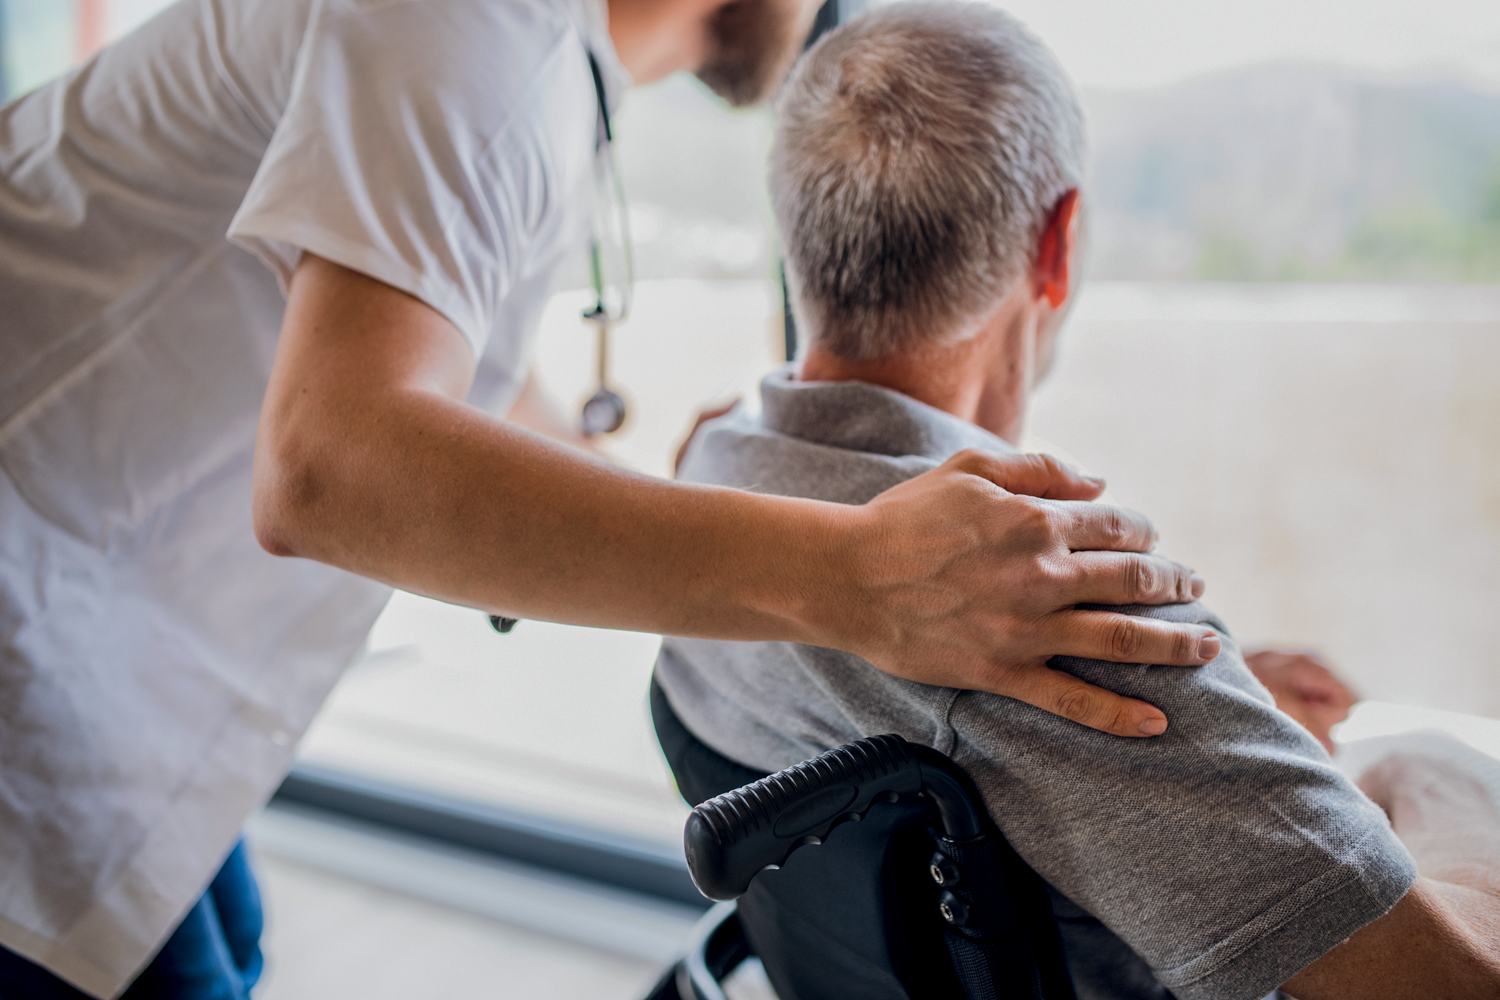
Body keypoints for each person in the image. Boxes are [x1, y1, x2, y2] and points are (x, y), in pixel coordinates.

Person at [0, 0, 1230, 994]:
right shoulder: (469, 31)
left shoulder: (528, 70)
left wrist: (728, 491)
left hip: (112, 644)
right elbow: (334, 463)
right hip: (40, 633)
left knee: (216, 945)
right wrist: (856, 574)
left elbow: (470, 402)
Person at [655, 4, 1500, 997]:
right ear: (1056, 242)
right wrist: (1422, 775)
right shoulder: (1049, 613)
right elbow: (1457, 980)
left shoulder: (712, 480)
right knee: (1432, 756)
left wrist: (1231, 717)